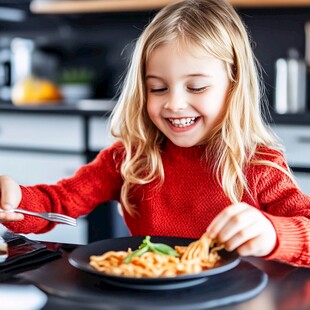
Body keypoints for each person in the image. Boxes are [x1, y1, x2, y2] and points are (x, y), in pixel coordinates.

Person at [0, 0, 309, 267]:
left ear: (233, 85)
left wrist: (273, 234)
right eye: (157, 88)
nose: (174, 103)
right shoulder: (129, 158)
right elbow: (59, 202)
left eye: (196, 87)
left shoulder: (260, 166)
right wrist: (16, 202)